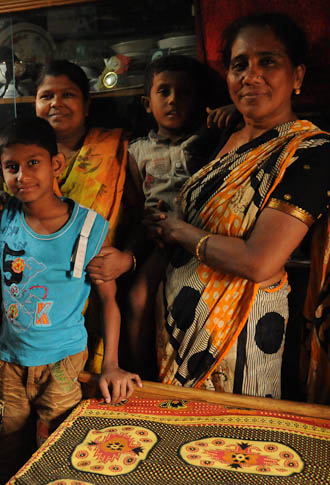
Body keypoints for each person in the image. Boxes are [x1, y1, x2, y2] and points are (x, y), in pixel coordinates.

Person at [146, 13, 330, 406]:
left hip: (241, 338)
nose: (251, 75)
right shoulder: (218, 139)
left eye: (268, 62)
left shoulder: (311, 151)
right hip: (177, 328)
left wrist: (178, 231)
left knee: (236, 451)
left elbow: (259, 261)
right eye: (239, 64)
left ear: (297, 76)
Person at [0, 116, 141, 485]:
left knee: (55, 452)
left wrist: (111, 364)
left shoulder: (88, 228)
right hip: (8, 360)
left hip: (63, 361)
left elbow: (109, 301)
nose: (22, 176)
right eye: (12, 167)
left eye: (33, 164)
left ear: (56, 165)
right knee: (5, 451)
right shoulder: (2, 215)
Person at [32, 60, 138, 373]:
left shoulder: (115, 149)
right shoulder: (23, 159)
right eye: (46, 96)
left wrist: (127, 258)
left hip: (99, 290)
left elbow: (143, 219)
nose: (56, 104)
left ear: (87, 104)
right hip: (38, 298)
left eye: (68, 95)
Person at [124, 54, 212, 376]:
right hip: (159, 243)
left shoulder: (209, 141)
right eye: (164, 92)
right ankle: (141, 375)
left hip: (201, 242)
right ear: (148, 103)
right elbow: (135, 207)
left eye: (184, 93)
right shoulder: (136, 152)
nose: (174, 100)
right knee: (137, 298)